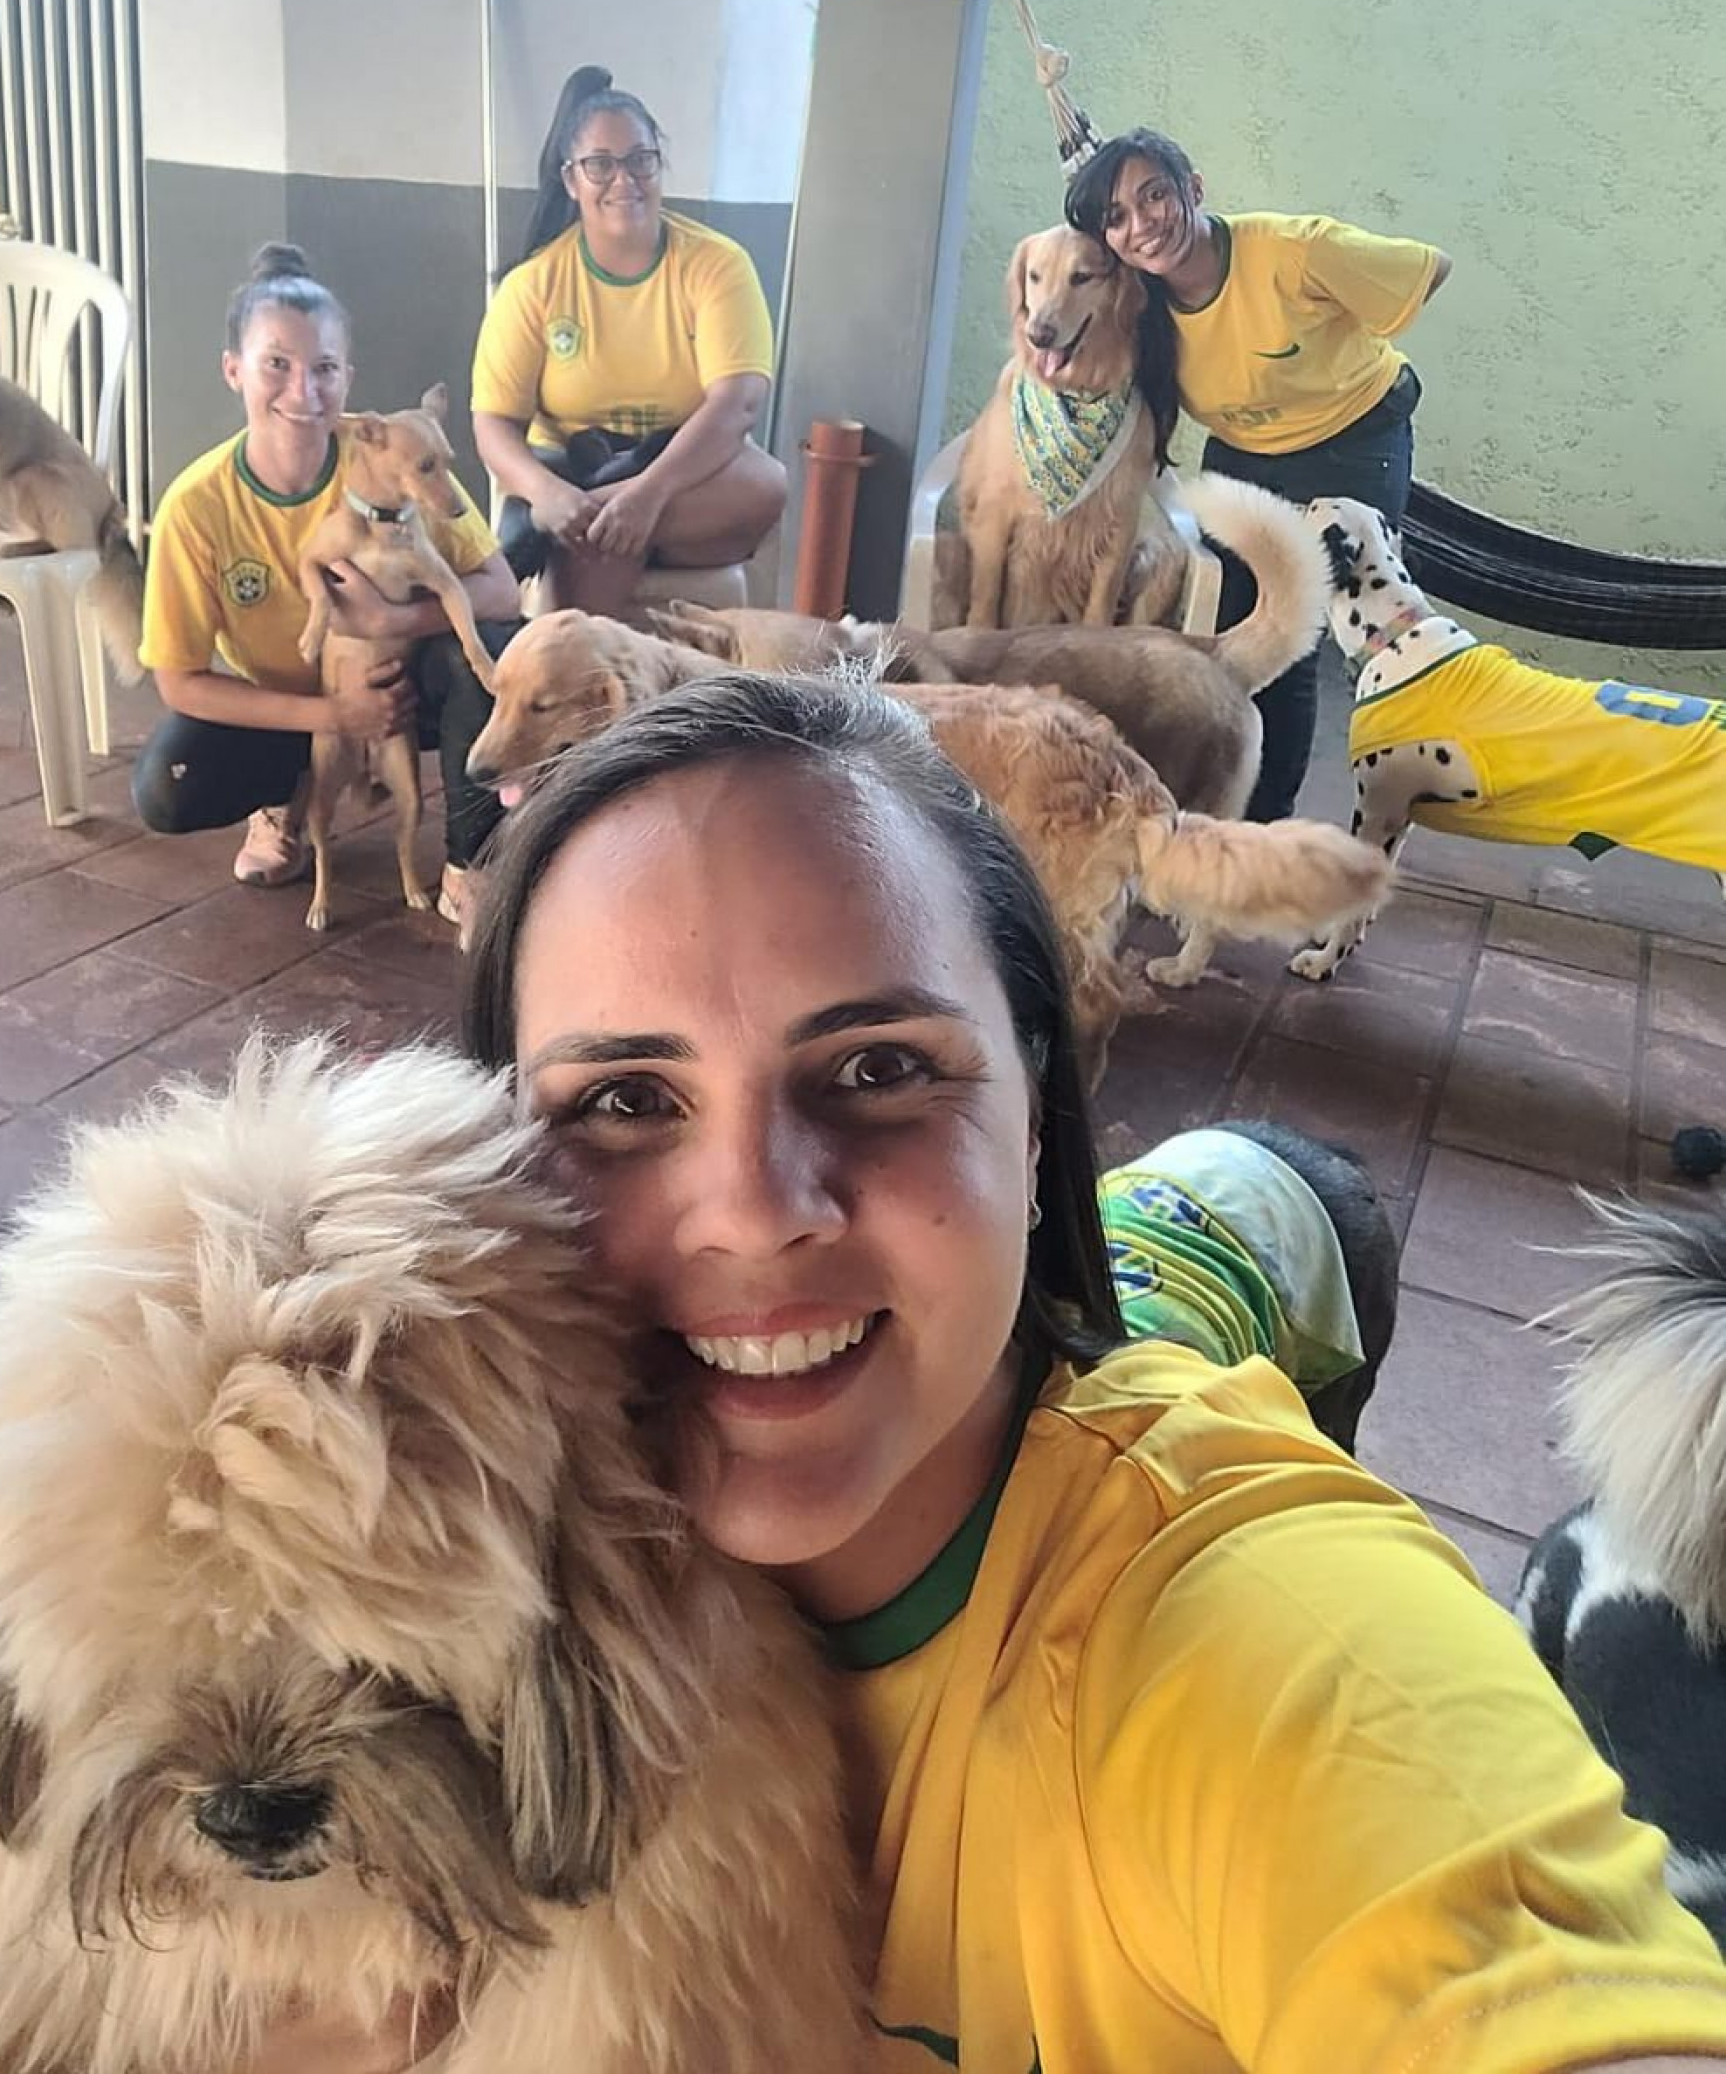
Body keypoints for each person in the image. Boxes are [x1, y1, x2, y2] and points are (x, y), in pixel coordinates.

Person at [261, 670, 1726, 2072]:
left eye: (881, 1069)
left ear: (1035, 1123)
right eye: (630, 1100)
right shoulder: (401, 1554)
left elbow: (1389, 1788)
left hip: (1299, 1233)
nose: (761, 1212)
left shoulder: (1251, 1637)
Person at [1067, 129, 1452, 823]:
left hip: (1353, 438)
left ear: (1194, 188)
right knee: (1229, 625)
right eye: (1116, 216)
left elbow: (1431, 268)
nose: (1142, 223)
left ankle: (1267, 825)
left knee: (1297, 631)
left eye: (1154, 194)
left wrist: (1334, 356)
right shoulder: (1139, 305)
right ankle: (1212, 802)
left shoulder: (1292, 249)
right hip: (1245, 451)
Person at [133, 243, 523, 893]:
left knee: (483, 651)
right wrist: (336, 717)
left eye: (325, 368)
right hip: (296, 705)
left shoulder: (393, 451)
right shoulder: (196, 506)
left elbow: (501, 589)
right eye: (276, 366)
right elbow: (178, 682)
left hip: (404, 688)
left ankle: (468, 861)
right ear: (233, 370)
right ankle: (287, 793)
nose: (303, 392)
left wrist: (396, 616)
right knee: (168, 787)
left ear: (348, 377)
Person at [470, 66, 787, 617]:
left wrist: (646, 493)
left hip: (688, 472)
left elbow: (738, 404)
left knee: (766, 484)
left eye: (641, 160)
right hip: (573, 473)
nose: (624, 180)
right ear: (572, 180)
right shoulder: (534, 285)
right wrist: (546, 495)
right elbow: (494, 425)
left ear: (659, 165)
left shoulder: (717, 265)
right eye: (600, 165)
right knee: (600, 533)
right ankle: (594, 685)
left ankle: (581, 538)